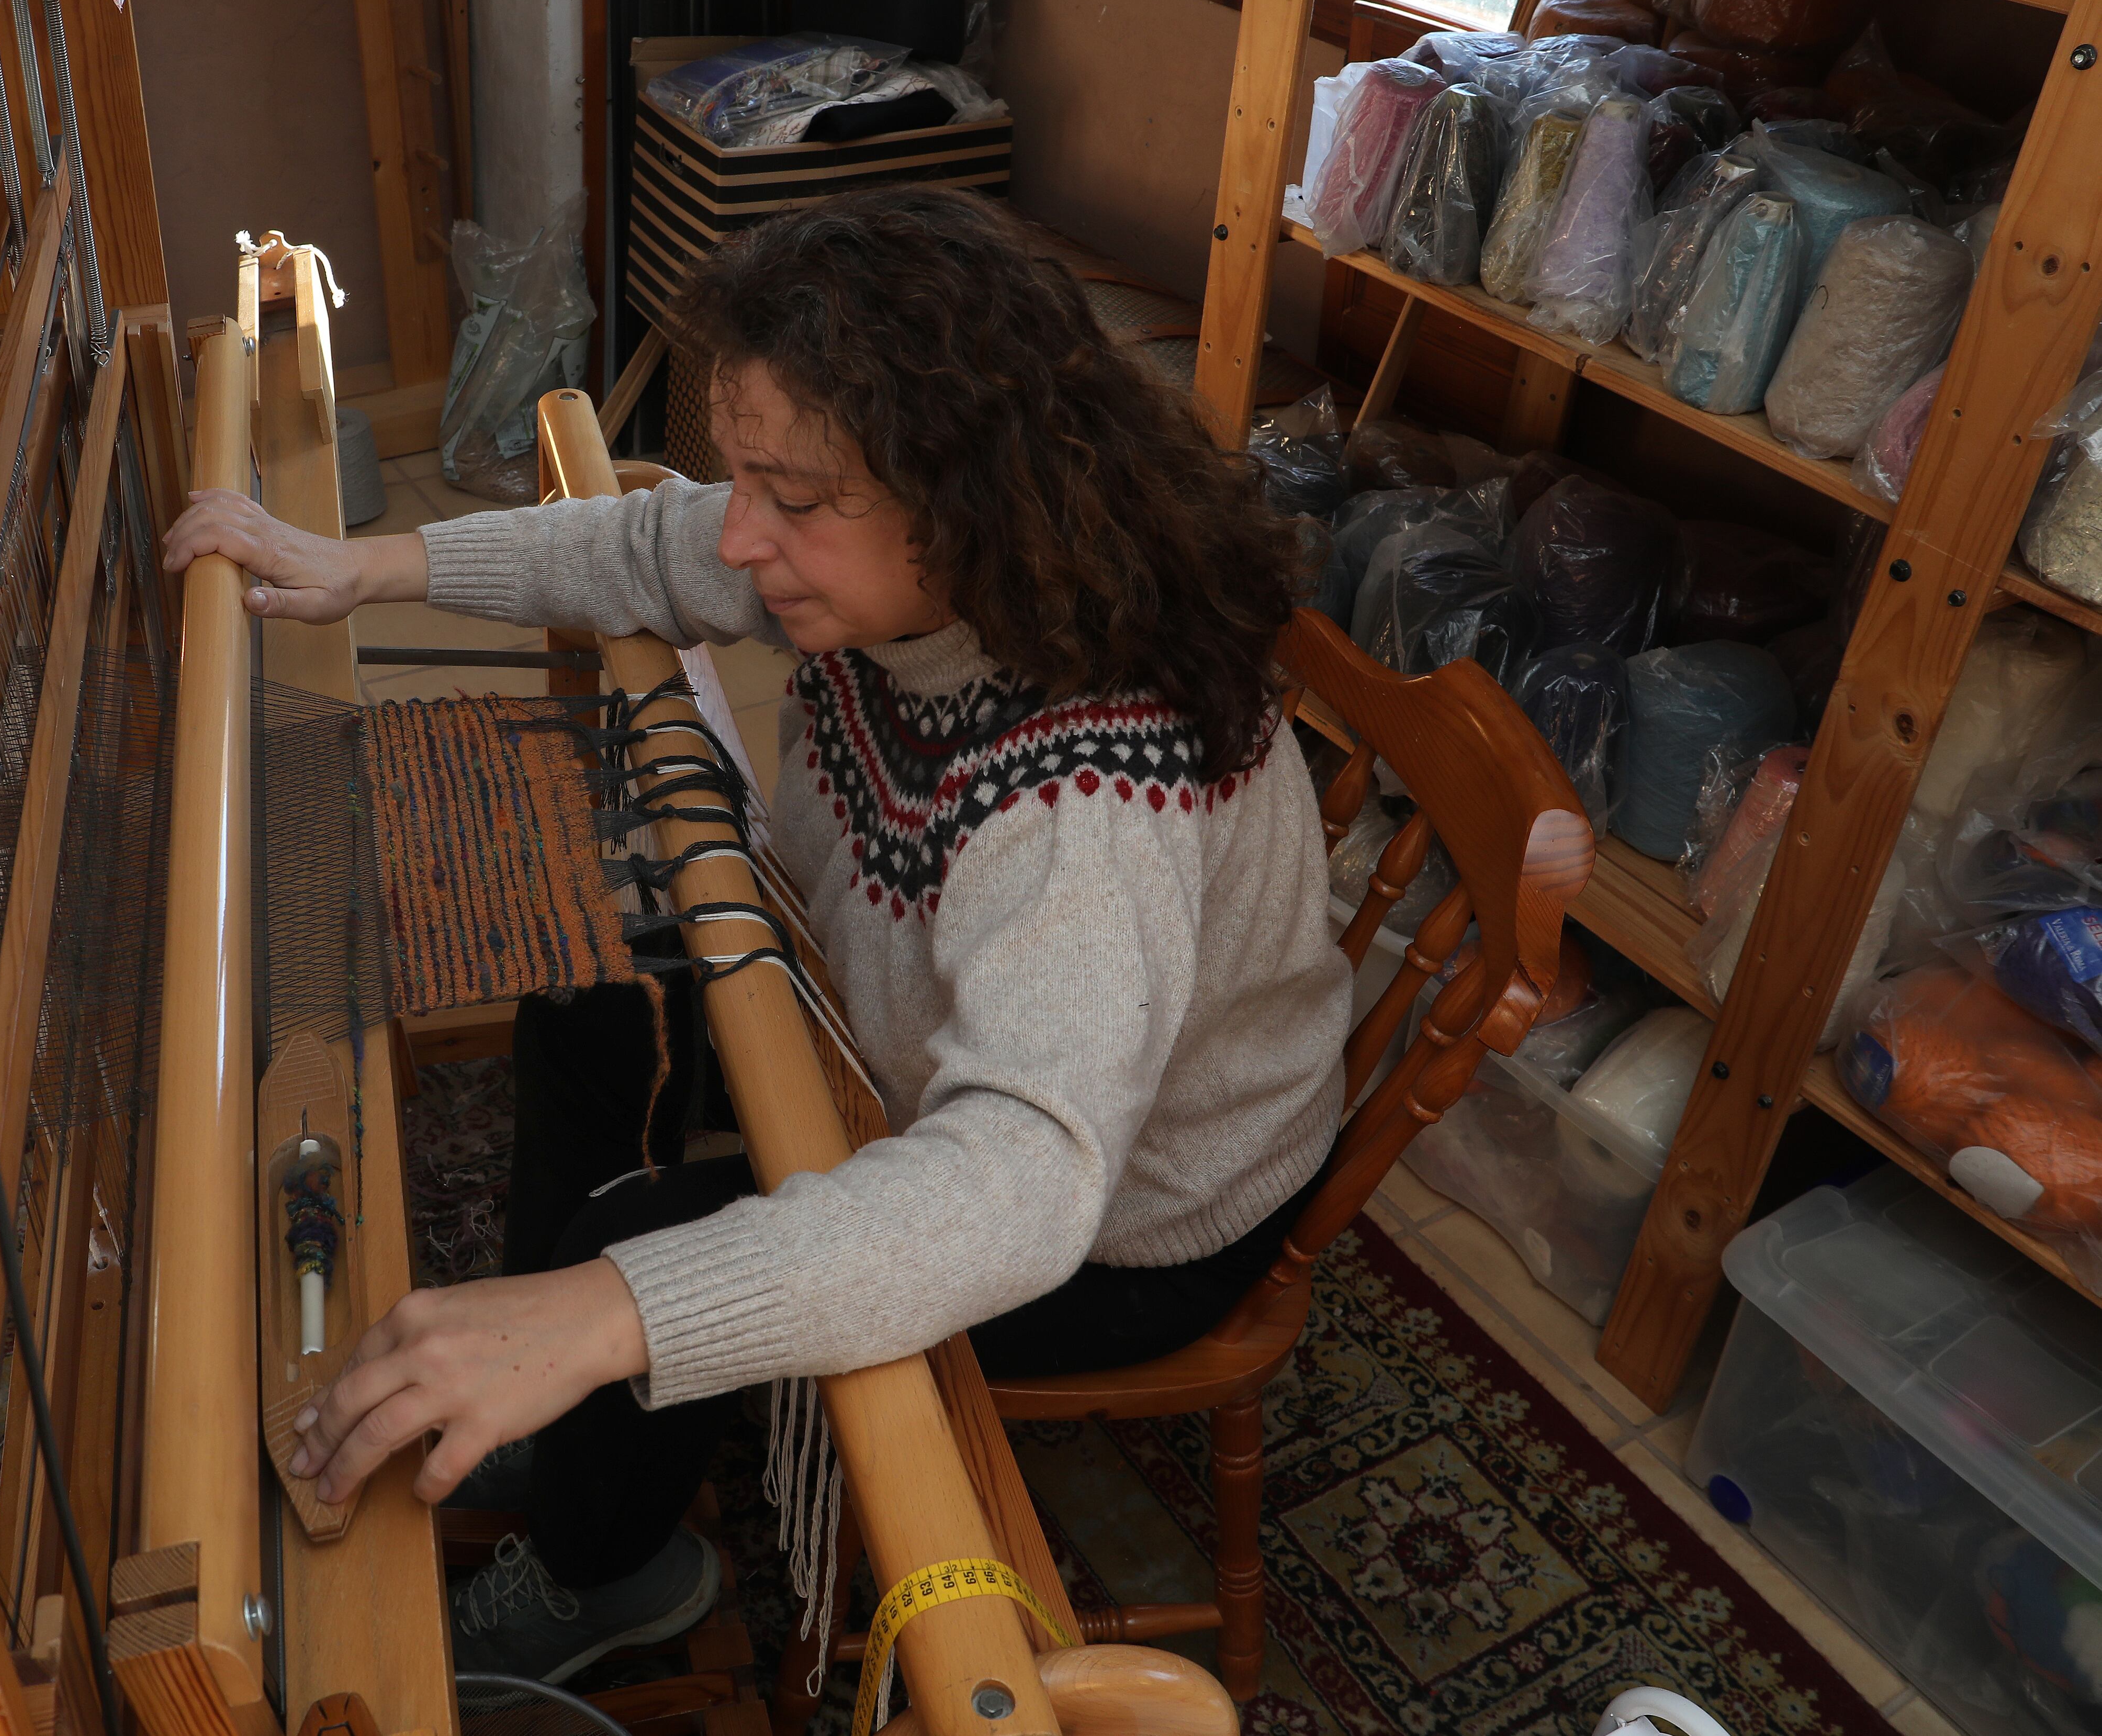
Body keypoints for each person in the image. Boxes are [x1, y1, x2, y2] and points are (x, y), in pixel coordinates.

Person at [160, 185, 1352, 1684]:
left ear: (966, 491)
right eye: (746, 478)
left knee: (635, 1248)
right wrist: (368, 564)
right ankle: (553, 1419)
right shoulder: (904, 552)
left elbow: (1028, 1176)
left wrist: (609, 1310)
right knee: (589, 1007)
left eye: (791, 500)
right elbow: (655, 548)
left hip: (1138, 1215)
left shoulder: (1091, 793)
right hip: (938, 1047)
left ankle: (613, 1574)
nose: (743, 536)